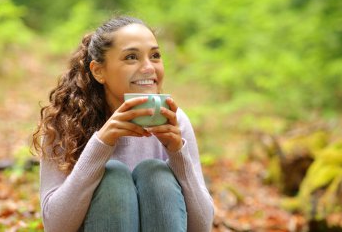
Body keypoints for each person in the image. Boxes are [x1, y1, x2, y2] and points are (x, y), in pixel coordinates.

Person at [32, 16, 214, 232]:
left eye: (155, 56)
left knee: (156, 173)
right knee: (112, 177)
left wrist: (177, 153)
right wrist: (100, 144)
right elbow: (55, 227)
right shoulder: (65, 121)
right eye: (131, 57)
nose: (148, 67)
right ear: (98, 71)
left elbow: (202, 227)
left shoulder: (175, 121)